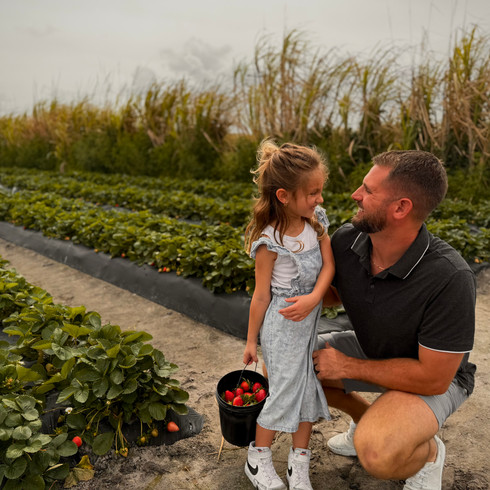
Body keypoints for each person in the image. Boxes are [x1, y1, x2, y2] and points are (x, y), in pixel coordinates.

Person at [309, 150, 476, 489]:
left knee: (379, 453)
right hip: (376, 348)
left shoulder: (449, 277)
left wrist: (346, 367)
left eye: (368, 191)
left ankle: (428, 455)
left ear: (401, 208)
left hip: (433, 375)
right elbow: (336, 296)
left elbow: (433, 379)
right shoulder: (347, 240)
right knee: (283, 366)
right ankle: (364, 419)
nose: (356, 194)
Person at [242, 139, 335, 490]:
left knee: (307, 387)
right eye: (312, 193)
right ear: (283, 195)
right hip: (281, 328)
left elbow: (329, 266)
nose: (319, 200)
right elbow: (261, 296)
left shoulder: (316, 222)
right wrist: (252, 341)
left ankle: (299, 464)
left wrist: (313, 298)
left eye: (320, 191)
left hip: (307, 321)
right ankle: (258, 457)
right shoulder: (269, 242)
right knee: (283, 392)